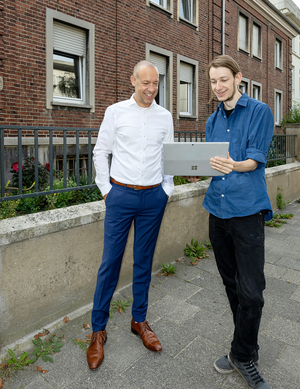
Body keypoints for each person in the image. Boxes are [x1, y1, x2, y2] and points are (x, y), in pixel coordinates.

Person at [86, 60, 174, 370]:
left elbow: (170, 156)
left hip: (153, 198)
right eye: (145, 83)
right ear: (132, 81)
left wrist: (167, 189)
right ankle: (98, 331)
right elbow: (101, 151)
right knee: (110, 262)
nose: (151, 89)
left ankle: (139, 321)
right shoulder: (115, 112)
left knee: (143, 262)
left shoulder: (165, 116)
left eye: (156, 84)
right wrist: (106, 190)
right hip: (120, 195)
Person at [204, 55, 274, 389]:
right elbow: (212, 163)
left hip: (246, 212)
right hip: (216, 212)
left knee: (253, 292)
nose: (218, 87)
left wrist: (232, 164)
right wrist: (198, 167)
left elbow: (255, 160)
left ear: (238, 78)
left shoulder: (260, 111)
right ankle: (242, 347)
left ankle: (243, 355)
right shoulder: (211, 121)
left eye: (223, 80)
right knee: (231, 285)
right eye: (213, 81)